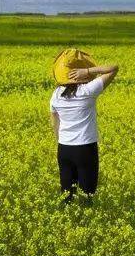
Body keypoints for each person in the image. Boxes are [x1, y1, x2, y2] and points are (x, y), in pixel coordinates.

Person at [49, 55, 119, 201]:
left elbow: (55, 122)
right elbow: (113, 68)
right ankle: (85, 220)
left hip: (64, 149)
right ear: (78, 72)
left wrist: (61, 141)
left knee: (67, 195)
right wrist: (87, 71)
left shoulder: (56, 95)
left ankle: (69, 222)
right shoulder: (87, 91)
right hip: (85, 148)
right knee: (88, 194)